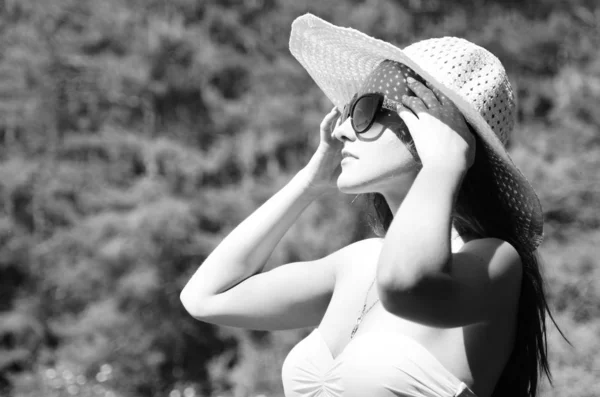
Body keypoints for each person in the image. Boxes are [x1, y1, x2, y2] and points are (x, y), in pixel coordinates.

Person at [181, 13, 562, 397]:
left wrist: (445, 163)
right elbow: (205, 298)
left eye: (365, 111)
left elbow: (403, 286)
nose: (341, 129)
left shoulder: (494, 261)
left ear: (441, 128)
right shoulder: (359, 261)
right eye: (348, 111)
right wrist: (308, 184)